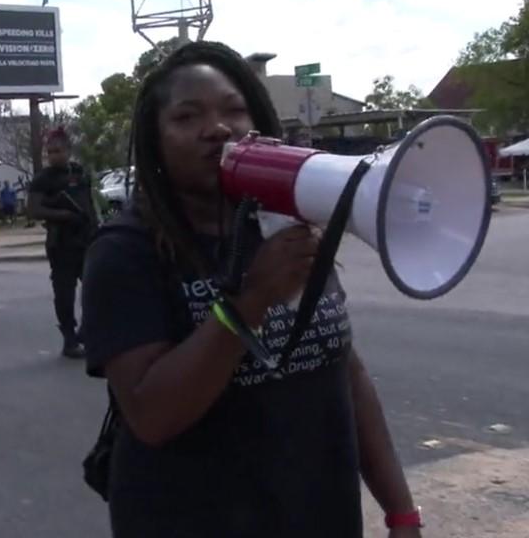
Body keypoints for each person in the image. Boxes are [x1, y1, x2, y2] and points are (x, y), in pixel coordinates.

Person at [81, 41, 422, 538]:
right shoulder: (125, 252)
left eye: (234, 110)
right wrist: (250, 304)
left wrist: (401, 512)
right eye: (187, 116)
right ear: (156, 141)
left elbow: (343, 370)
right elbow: (151, 415)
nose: (217, 128)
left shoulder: (282, 226)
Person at [28, 128, 98, 359]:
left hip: (86, 239)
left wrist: (96, 229)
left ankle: (86, 332)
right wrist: (64, 215)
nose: (53, 156)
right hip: (61, 244)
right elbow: (34, 209)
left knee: (94, 289)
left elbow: (89, 204)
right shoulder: (43, 179)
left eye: (58, 151)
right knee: (64, 294)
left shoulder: (79, 173)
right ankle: (69, 338)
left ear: (68, 150)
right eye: (50, 152)